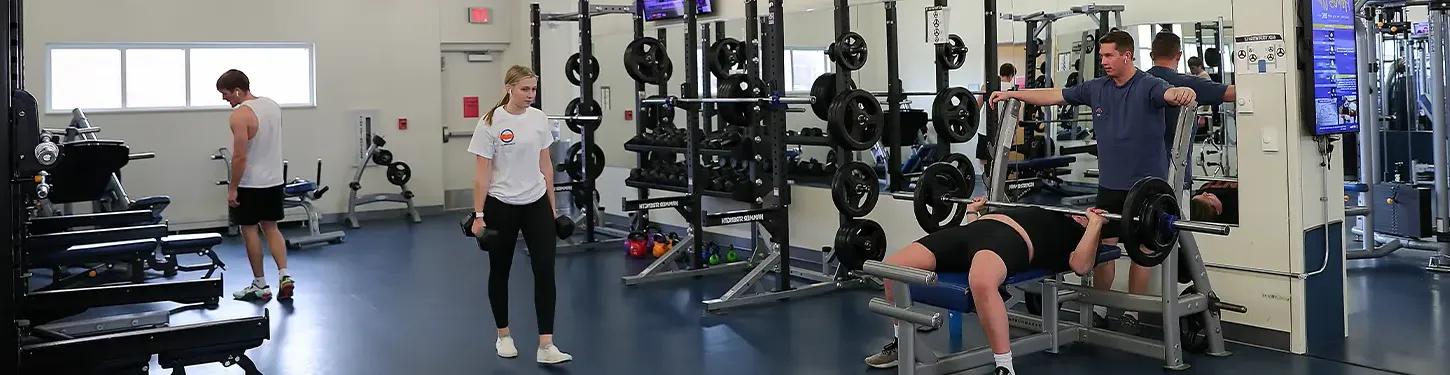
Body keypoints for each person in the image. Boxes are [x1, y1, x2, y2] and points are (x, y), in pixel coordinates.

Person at [987, 29, 1197, 328]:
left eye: (1109, 55)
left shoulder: (1150, 85)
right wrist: (1014, 94)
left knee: (1142, 253)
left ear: (1127, 55)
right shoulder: (1096, 88)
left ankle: (1131, 314)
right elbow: (1054, 96)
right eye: (1101, 56)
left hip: (1146, 192)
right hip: (1110, 187)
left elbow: (1168, 94)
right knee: (1104, 251)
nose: (1104, 61)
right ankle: (1099, 311)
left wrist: (1181, 93)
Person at [863, 197, 1114, 375]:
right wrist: (974, 211)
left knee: (981, 281)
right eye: (1082, 213)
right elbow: (975, 225)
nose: (1081, 213)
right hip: (973, 231)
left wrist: (1094, 225)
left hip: (1011, 240)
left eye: (1087, 214)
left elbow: (1081, 265)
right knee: (892, 269)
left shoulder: (1076, 234)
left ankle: (1004, 366)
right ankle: (901, 345)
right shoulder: (1054, 211)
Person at [467, 65, 572, 364]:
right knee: (500, 269)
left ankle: (546, 345)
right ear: (508, 88)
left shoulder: (539, 119)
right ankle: (503, 336)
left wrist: (552, 211)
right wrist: (478, 215)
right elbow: (481, 174)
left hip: (536, 202)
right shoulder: (490, 123)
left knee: (545, 269)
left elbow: (546, 166)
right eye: (525, 89)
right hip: (501, 204)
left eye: (534, 89)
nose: (530, 95)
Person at [218, 69, 295, 302]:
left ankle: (260, 285)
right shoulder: (272, 106)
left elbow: (240, 157)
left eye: (226, 93)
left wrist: (232, 188)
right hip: (274, 181)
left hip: (251, 184)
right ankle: (285, 275)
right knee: (271, 228)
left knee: (249, 230)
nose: (224, 99)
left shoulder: (239, 116)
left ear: (238, 90)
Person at [1145, 31, 1237, 186]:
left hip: (1137, 176)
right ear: (1179, 55)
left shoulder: (1136, 83)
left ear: (1151, 55)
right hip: (1174, 177)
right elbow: (1233, 93)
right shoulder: (1188, 83)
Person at [976, 63, 1019, 165]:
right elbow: (1016, 115)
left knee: (984, 160)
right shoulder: (1013, 90)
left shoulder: (986, 86)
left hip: (985, 129)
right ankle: (999, 180)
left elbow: (977, 106)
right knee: (1002, 160)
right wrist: (1013, 132)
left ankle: (986, 179)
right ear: (1010, 76)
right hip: (1005, 131)